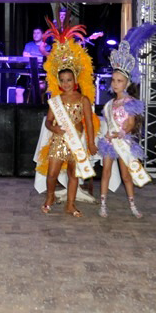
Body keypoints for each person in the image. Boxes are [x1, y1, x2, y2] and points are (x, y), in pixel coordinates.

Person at [96, 23, 156, 218]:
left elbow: (131, 124)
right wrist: (109, 135)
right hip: (110, 141)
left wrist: (122, 133)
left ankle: (133, 205)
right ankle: (103, 204)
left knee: (126, 175)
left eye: (119, 81)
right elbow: (109, 122)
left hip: (123, 141)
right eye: (113, 80)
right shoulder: (109, 104)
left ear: (127, 83)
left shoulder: (131, 102)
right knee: (106, 172)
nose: (115, 84)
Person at [35, 19, 98, 217]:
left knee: (73, 173)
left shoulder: (84, 99)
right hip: (59, 140)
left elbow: (89, 123)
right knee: (52, 172)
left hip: (76, 140)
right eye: (62, 80)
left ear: (75, 79)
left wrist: (91, 142)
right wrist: (54, 128)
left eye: (69, 80)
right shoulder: (56, 100)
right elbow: (48, 121)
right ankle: (49, 197)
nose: (66, 83)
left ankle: (70, 204)